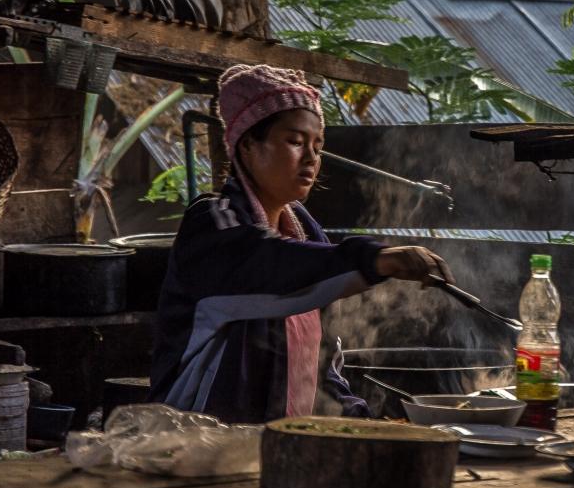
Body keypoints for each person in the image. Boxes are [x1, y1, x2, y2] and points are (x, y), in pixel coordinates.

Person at [148, 64, 454, 423]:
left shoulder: (310, 240)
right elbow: (271, 265)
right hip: (197, 444)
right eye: (295, 142)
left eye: (317, 145)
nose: (311, 159)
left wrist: (361, 421)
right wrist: (375, 258)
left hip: (281, 446)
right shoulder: (214, 224)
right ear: (247, 145)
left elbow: (323, 368)